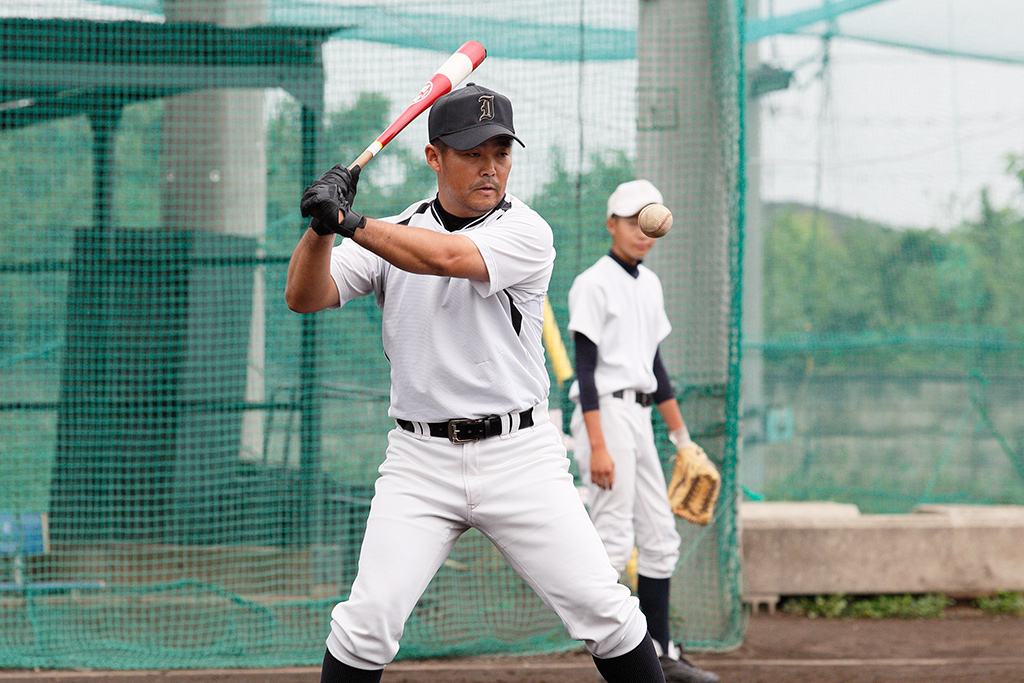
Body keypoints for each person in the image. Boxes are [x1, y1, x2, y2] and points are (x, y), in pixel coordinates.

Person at [287, 84, 669, 683]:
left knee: (606, 612)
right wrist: (320, 228)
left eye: (502, 152)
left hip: (519, 455)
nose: (491, 167)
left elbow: (445, 258)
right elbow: (303, 295)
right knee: (366, 624)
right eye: (473, 153)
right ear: (434, 157)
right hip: (419, 460)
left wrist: (351, 221)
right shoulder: (391, 230)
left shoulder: (526, 232)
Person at [566, 179, 721, 683]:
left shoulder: (650, 285)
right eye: (632, 220)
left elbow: (656, 369)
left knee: (660, 537)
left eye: (648, 219)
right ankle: (612, 658)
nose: (642, 230)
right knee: (612, 541)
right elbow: (584, 371)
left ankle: (661, 651)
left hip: (639, 415)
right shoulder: (592, 282)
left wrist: (683, 441)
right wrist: (599, 446)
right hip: (604, 416)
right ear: (611, 223)